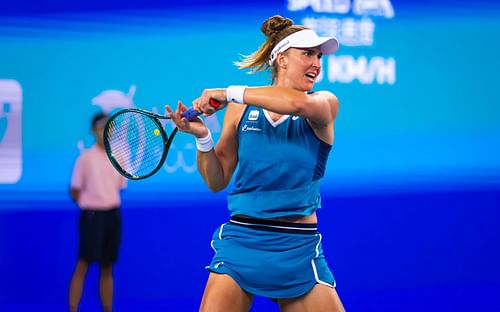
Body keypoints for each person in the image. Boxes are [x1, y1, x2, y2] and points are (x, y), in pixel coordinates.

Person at [166, 15, 345, 311]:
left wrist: (227, 93)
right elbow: (216, 180)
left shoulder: (323, 103)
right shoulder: (239, 112)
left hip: (297, 248)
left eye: (319, 55)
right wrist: (202, 138)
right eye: (308, 53)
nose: (316, 62)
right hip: (242, 242)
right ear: (281, 59)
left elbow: (296, 103)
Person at [68, 113, 127, 312]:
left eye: (108, 126)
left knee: (107, 266)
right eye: (101, 127)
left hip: (113, 215)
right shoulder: (85, 159)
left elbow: (119, 186)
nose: (105, 131)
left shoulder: (119, 156)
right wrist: (90, 204)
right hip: (92, 217)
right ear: (93, 130)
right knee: (83, 264)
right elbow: (74, 189)